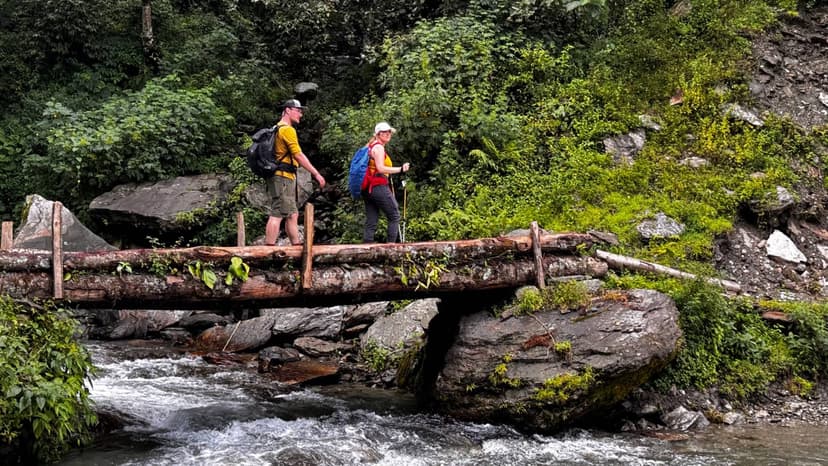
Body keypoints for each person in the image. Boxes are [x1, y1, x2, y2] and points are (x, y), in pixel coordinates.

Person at [264, 99, 326, 246]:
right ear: (287, 110)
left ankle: (296, 247)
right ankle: (268, 250)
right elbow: (298, 155)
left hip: (283, 177)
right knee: (277, 213)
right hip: (282, 177)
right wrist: (316, 174)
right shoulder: (287, 129)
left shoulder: (276, 128)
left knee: (292, 214)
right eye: (298, 110)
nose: (301, 114)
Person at [361, 122, 410, 243]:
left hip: (368, 188)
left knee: (372, 219)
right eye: (385, 132)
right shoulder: (378, 147)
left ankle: (366, 249)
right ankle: (391, 248)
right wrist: (400, 169)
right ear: (378, 134)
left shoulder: (370, 146)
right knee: (394, 215)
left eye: (389, 132)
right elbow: (381, 168)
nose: (388, 134)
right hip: (377, 186)